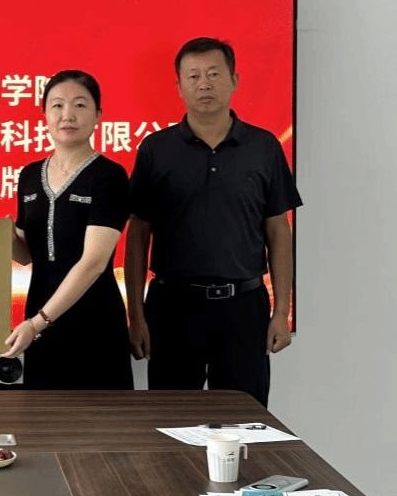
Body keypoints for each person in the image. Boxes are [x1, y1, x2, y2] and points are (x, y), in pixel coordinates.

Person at [125, 37, 301, 407]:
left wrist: (281, 311)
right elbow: (138, 235)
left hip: (243, 306)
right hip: (173, 307)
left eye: (213, 74)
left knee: (244, 421)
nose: (204, 84)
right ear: (179, 86)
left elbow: (278, 230)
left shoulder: (263, 147)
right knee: (170, 420)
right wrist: (136, 316)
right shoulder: (156, 149)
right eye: (193, 76)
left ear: (234, 80)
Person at [2, 70, 134, 389]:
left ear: (98, 115)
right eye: (57, 105)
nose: (68, 115)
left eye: (80, 105)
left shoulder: (109, 176)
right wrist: (1, 237)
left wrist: (38, 323)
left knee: (103, 415)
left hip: (94, 319)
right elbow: (25, 255)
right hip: (41, 319)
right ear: (45, 114)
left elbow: (93, 263)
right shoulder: (29, 175)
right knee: (43, 414)